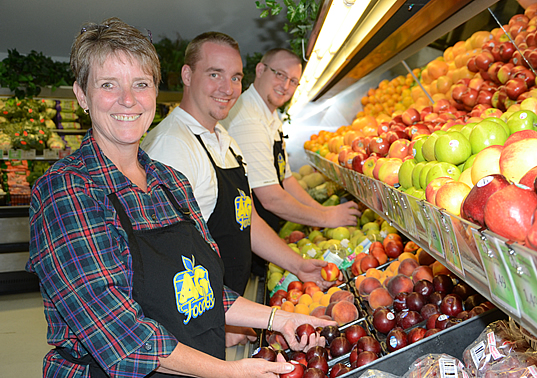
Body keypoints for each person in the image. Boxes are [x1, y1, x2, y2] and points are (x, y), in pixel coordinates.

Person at [26, 17, 334, 378]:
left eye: (140, 84)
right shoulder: (66, 191)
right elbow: (122, 337)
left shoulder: (170, 182)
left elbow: (203, 290)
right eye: (108, 85)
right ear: (82, 95)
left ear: (155, 92)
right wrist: (229, 372)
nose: (128, 99)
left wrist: (280, 319)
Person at [141, 32, 331, 298]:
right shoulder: (172, 146)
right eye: (214, 74)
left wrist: (298, 265)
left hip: (229, 304)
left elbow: (247, 219)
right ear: (187, 75)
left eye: (235, 78)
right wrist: (226, 316)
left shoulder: (226, 141)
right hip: (200, 314)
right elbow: (168, 258)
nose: (228, 89)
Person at [223, 48, 361, 234]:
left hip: (263, 228)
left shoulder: (270, 115)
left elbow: (286, 180)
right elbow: (271, 198)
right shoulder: (249, 119)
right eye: (280, 74)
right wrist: (327, 218)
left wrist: (322, 210)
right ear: (260, 70)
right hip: (244, 232)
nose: (286, 86)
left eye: (293, 81)